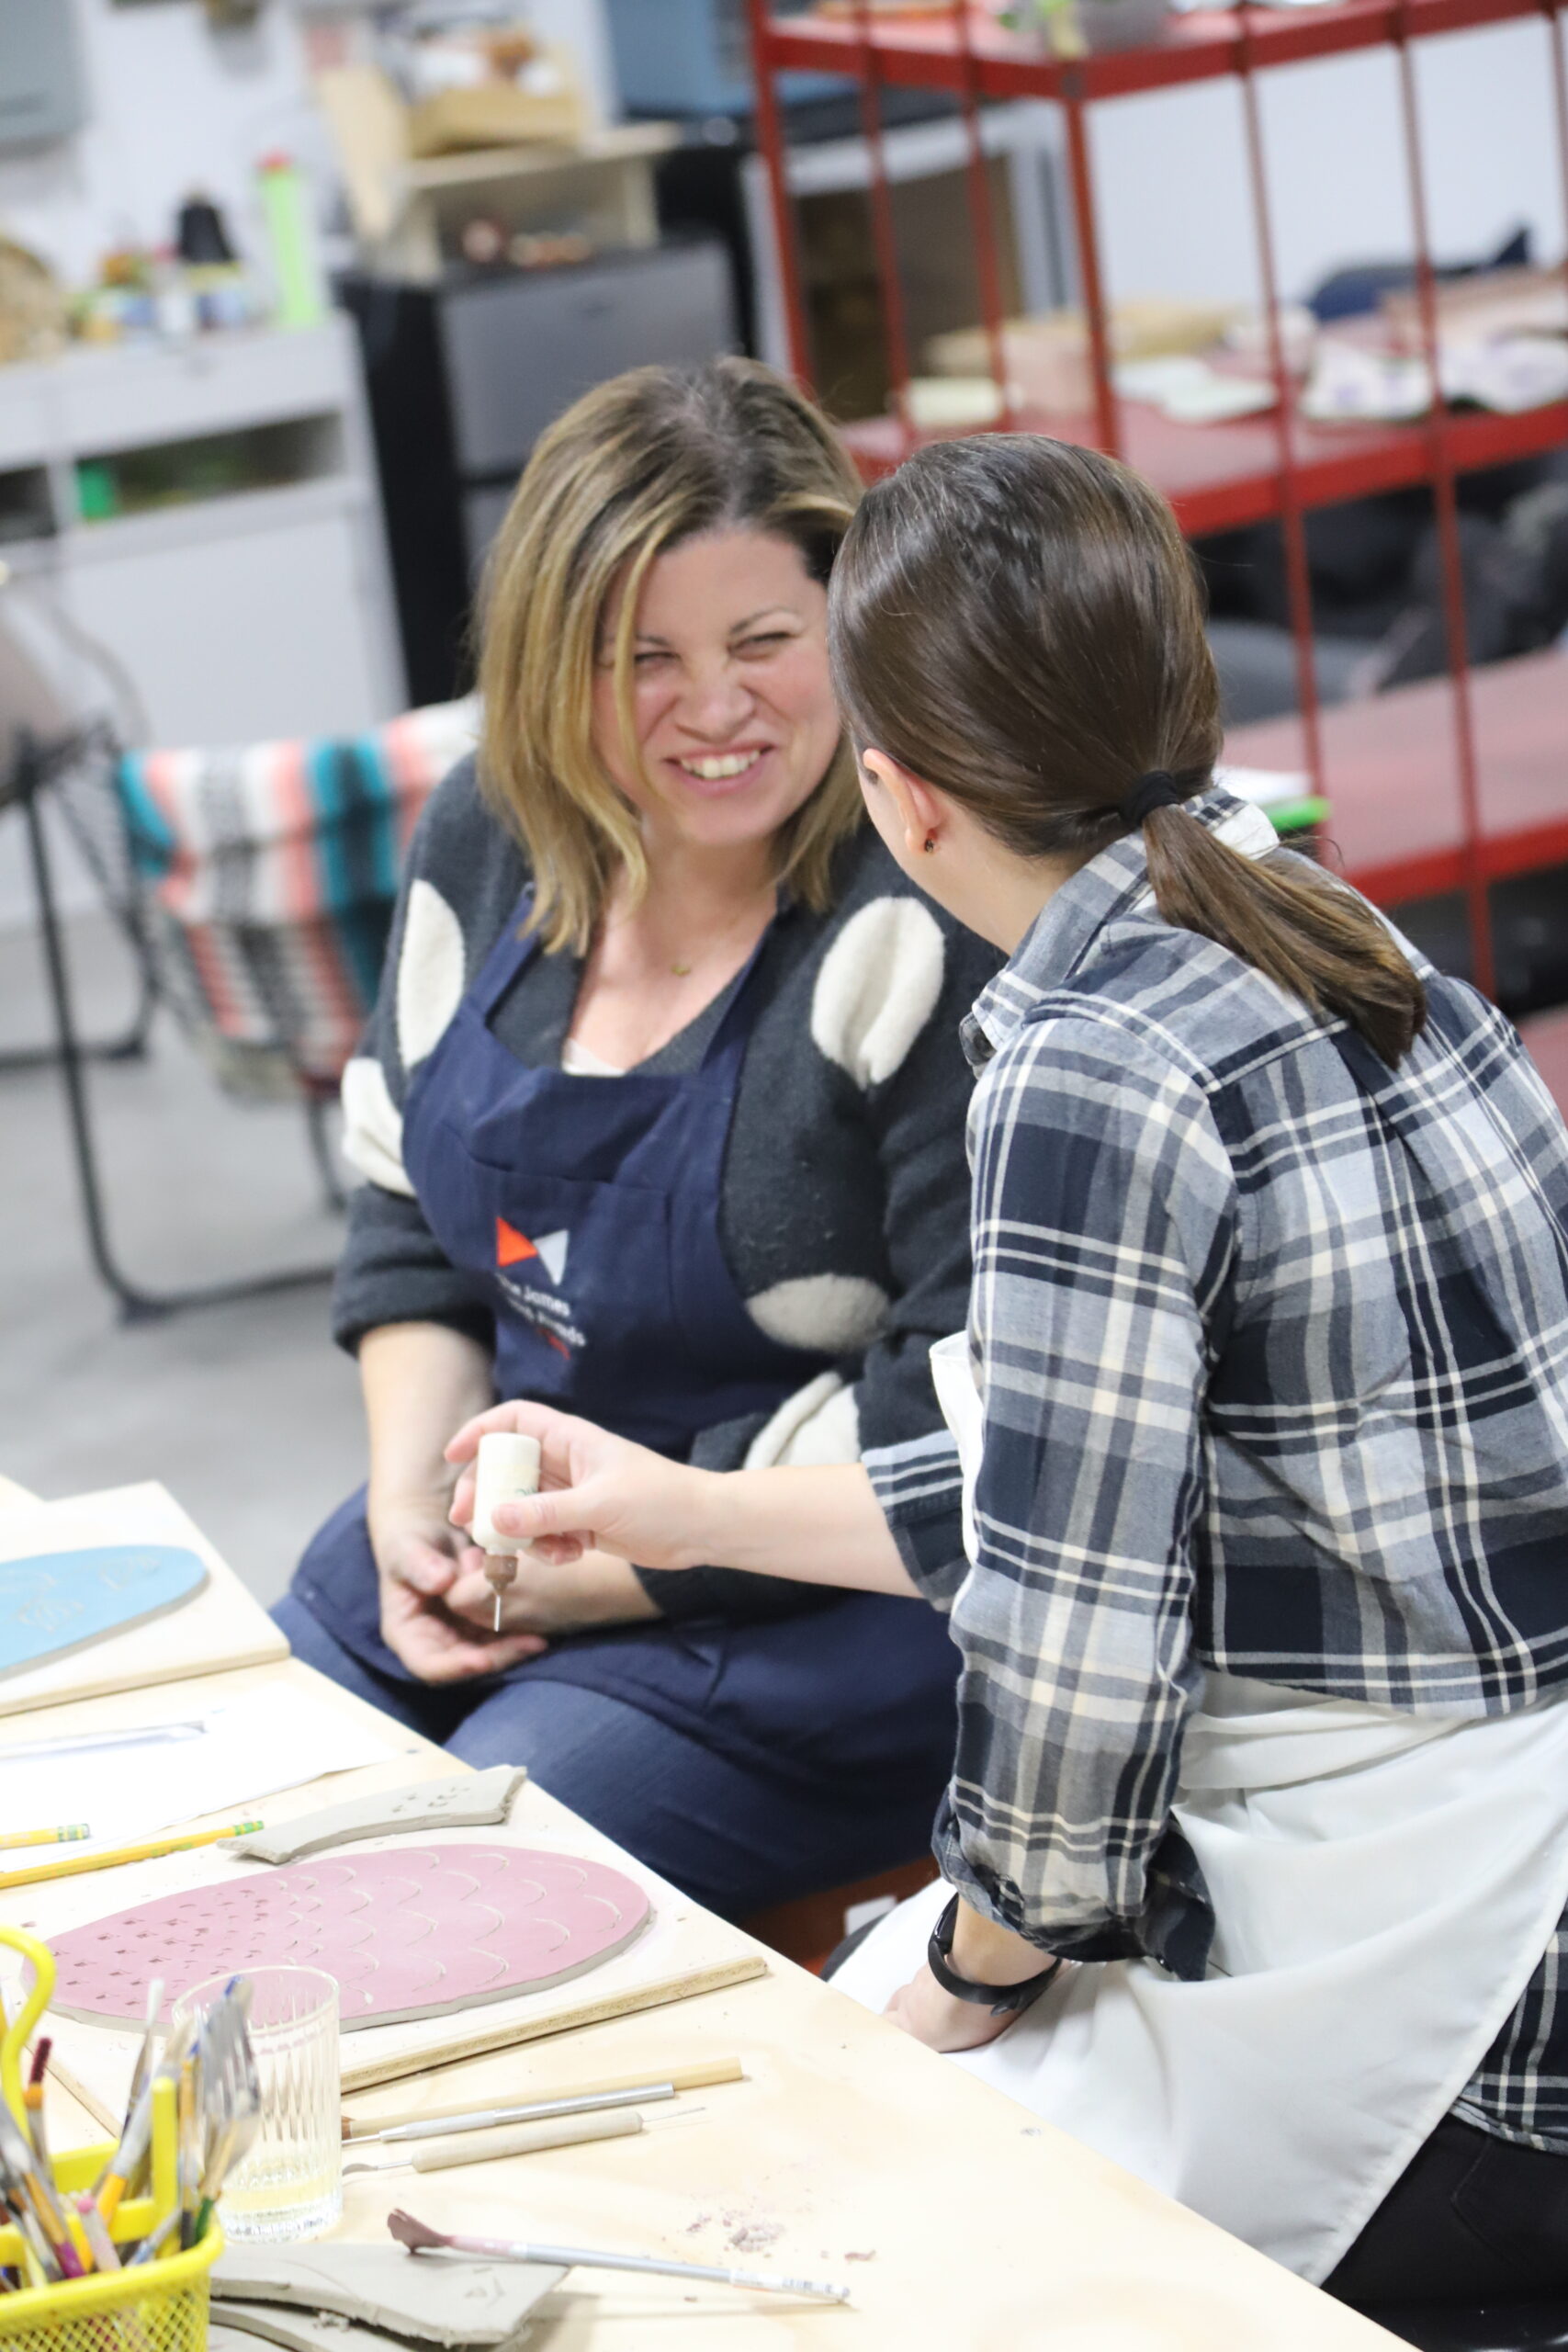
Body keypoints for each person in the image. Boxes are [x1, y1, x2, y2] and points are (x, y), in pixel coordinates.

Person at [447, 433, 1568, 2309]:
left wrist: (972, 1956)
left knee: (827, 2195)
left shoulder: (1081, 1052)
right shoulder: (1316, 917)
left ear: (893, 793)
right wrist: (684, 1511)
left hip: (1449, 1963)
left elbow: (1074, 1652)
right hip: (1472, 1829)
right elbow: (1126, 1475)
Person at [278, 360, 998, 1923]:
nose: (717, 708)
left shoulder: (929, 915)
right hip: (500, 1525)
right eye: (641, 658)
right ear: (553, 666)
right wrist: (414, 1502)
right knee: (243, 1810)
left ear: (849, 631)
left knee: (455, 1906)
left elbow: (956, 1421)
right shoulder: (491, 835)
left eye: (763, 642)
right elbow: (408, 1221)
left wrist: (599, 1567)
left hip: (818, 1613)